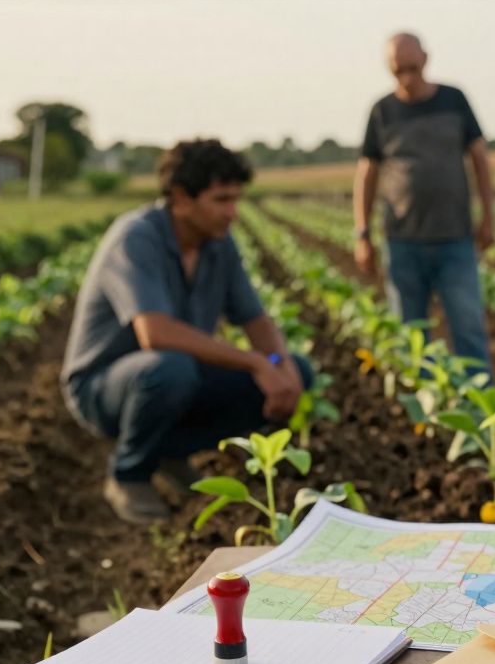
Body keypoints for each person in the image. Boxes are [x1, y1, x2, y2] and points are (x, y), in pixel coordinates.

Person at [61, 139, 314, 524]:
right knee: (170, 369)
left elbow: (256, 320)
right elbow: (155, 334)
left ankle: (169, 452)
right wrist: (255, 362)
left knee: (298, 370)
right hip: (104, 387)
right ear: (181, 198)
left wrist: (280, 365)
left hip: (174, 375)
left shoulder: (218, 245)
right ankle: (128, 475)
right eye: (221, 200)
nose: (232, 212)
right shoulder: (136, 237)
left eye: (236, 199)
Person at [353, 31, 495, 377]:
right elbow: (367, 173)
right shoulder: (382, 111)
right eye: (398, 70)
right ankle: (425, 415)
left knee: (467, 327)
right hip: (402, 241)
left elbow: (479, 157)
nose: (406, 77)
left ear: (426, 60)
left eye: (412, 68)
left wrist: (489, 216)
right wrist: (362, 233)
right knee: (411, 337)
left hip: (454, 238)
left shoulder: (453, 100)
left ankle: (482, 411)